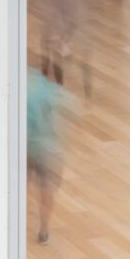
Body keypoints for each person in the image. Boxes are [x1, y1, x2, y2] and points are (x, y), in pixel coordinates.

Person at [25, 37, 77, 243]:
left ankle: (18, 217)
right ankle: (44, 230)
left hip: (29, 147)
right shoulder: (59, 95)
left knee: (24, 183)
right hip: (50, 151)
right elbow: (73, 113)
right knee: (47, 192)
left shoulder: (30, 91)